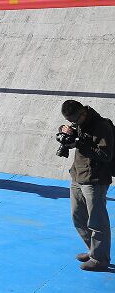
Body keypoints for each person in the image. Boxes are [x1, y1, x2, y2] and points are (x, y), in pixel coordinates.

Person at [60, 100, 114, 271]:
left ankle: (100, 259)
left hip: (95, 179)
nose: (73, 123)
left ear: (83, 113)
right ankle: (93, 251)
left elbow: (105, 154)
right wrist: (66, 131)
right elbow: (77, 137)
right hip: (78, 175)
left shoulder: (101, 126)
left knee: (97, 221)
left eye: (74, 120)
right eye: (70, 121)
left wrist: (79, 143)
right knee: (78, 217)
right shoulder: (80, 122)